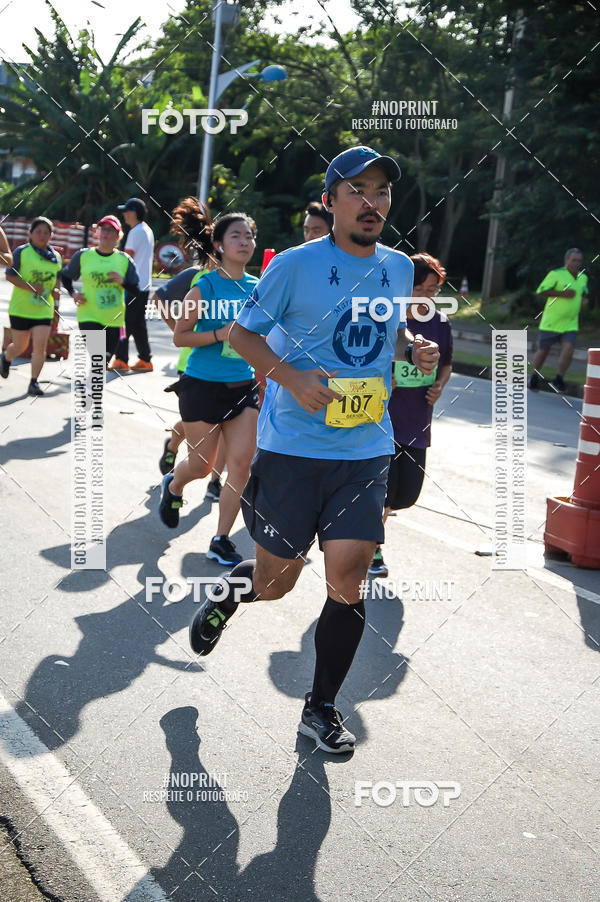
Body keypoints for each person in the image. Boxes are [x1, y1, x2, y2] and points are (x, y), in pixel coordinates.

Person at [189, 145, 440, 754]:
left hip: (363, 453)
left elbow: (388, 331)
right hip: (294, 452)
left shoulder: (399, 269)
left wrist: (412, 350)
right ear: (330, 202)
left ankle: (320, 708)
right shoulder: (294, 267)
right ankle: (232, 592)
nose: (371, 202)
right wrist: (290, 377)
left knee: (348, 581)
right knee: (278, 583)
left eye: (381, 192)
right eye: (356, 190)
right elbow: (245, 334)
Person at [158, 212, 260, 568]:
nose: (245, 242)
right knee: (203, 466)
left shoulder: (257, 288)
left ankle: (221, 539)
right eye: (237, 236)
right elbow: (180, 336)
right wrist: (222, 333)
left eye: (249, 236)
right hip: (202, 384)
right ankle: (173, 485)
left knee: (242, 465)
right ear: (219, 245)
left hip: (243, 386)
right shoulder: (205, 286)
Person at [369, 253, 453, 577]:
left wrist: (440, 386)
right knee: (385, 494)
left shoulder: (441, 323)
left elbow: (445, 364)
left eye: (434, 291)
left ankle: (369, 538)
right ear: (408, 288)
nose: (430, 297)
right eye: (424, 289)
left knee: (406, 495)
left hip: (418, 422)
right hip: (385, 420)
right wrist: (384, 376)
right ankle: (372, 549)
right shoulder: (390, 320)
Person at [155, 197, 225, 500]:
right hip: (192, 362)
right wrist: (177, 330)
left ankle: (216, 481)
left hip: (230, 365)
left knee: (220, 423)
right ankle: (173, 445)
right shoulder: (195, 276)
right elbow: (159, 298)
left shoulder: (239, 280)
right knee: (206, 424)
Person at [61, 215, 139, 364]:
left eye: (111, 231)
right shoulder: (83, 255)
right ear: (97, 232)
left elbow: (136, 290)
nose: (106, 233)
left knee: (103, 362)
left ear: (118, 236)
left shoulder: (124, 260)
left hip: (114, 319)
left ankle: (93, 387)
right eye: (103, 229)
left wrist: (122, 282)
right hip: (89, 315)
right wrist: (73, 293)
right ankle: (93, 386)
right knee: (98, 357)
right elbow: (65, 276)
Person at [1, 216, 62, 396]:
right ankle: (5, 357)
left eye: (46, 233)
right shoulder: (22, 252)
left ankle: (33, 382)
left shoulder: (56, 257)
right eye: (38, 232)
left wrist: (56, 296)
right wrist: (31, 287)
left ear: (51, 235)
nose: (42, 236)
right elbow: (10, 276)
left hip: (44, 308)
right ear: (30, 233)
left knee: (40, 347)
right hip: (21, 308)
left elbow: (56, 279)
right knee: (20, 346)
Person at [529, 248, 589, 394]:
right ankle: (534, 376)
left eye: (579, 261)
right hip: (552, 321)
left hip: (571, 322)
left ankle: (558, 379)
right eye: (573, 260)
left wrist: (584, 301)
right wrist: (562, 294)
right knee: (544, 350)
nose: (576, 263)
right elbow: (541, 291)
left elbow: (584, 293)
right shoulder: (556, 274)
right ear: (566, 260)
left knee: (569, 349)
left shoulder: (583, 277)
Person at [110, 197, 155, 372]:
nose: (124, 215)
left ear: (134, 213)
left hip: (132, 286)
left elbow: (126, 258)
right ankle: (145, 359)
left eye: (126, 211)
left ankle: (121, 359)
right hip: (144, 285)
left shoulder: (136, 232)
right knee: (137, 325)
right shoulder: (147, 230)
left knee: (123, 323)